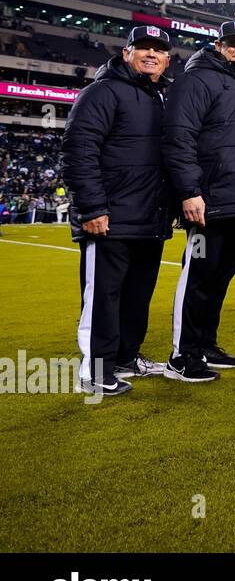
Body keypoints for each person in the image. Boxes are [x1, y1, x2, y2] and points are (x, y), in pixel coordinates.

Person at [63, 25, 173, 395]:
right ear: (126, 53)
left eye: (158, 50)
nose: (150, 54)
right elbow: (79, 150)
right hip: (109, 216)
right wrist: (92, 207)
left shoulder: (162, 97)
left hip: (150, 217)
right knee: (103, 296)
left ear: (167, 60)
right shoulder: (102, 91)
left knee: (137, 294)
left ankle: (127, 356)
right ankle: (94, 371)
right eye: (143, 47)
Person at [163, 21, 235, 382]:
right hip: (207, 202)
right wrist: (190, 192)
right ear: (219, 45)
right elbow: (179, 138)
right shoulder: (195, 80)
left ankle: (205, 344)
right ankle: (182, 356)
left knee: (220, 277)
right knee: (197, 278)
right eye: (233, 43)